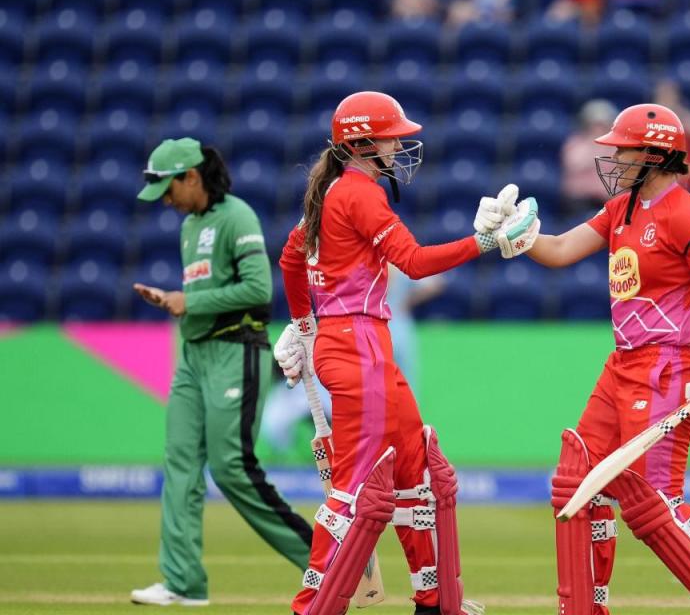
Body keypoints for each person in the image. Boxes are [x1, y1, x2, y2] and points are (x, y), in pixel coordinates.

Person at [271, 91, 538, 615]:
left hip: (358, 344)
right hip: (357, 347)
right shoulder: (361, 195)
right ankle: (311, 607)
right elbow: (413, 263)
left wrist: (305, 327)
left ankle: (433, 600)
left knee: (417, 467)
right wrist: (484, 244)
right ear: (365, 143)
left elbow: (290, 258)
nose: (400, 144)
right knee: (351, 492)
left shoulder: (330, 193)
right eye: (392, 136)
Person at [522, 104, 690, 614]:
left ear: (655, 155)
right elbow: (563, 249)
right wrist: (513, 237)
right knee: (577, 482)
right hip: (623, 366)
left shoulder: (685, 212)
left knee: (655, 504)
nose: (612, 157)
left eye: (623, 149)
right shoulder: (622, 208)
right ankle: (587, 607)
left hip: (666, 369)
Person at [129, 138, 314, 606]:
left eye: (168, 189)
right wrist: (180, 303)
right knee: (180, 465)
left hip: (237, 350)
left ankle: (329, 561)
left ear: (192, 176)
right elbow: (209, 290)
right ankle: (182, 581)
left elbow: (257, 289)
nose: (166, 201)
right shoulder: (190, 226)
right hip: (193, 355)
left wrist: (189, 301)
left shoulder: (237, 217)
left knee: (232, 468)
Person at [260, 266, 445, 460]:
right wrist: (404, 301)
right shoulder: (393, 262)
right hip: (391, 325)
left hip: (377, 327)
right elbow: (435, 282)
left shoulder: (366, 266)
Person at [561, 99, 619, 213]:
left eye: (602, 124)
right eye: (595, 124)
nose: (598, 129)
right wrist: (594, 146)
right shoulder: (575, 143)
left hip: (608, 199)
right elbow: (574, 164)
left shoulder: (617, 146)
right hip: (579, 200)